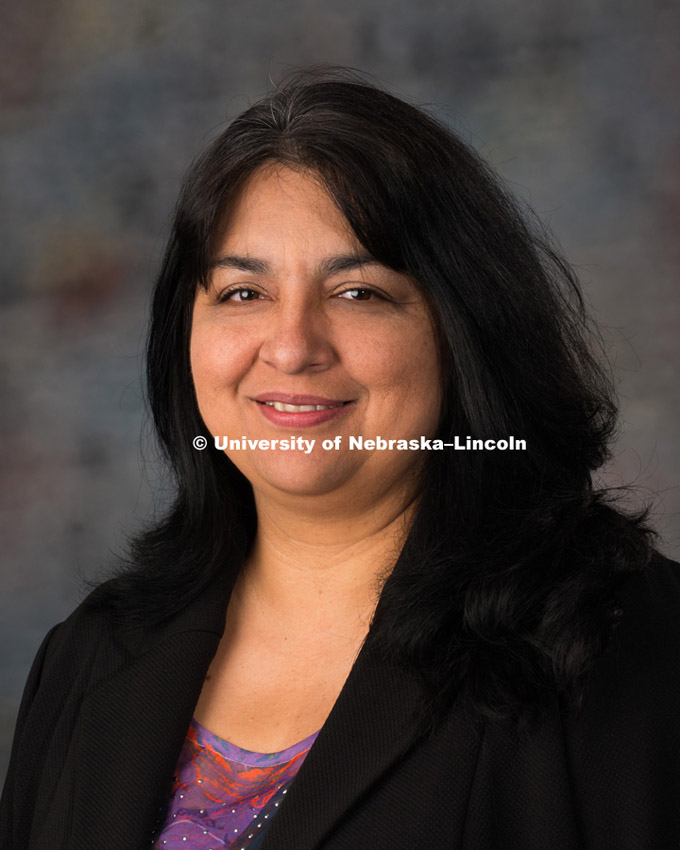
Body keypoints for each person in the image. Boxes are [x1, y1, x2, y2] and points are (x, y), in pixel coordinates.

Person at [1, 67, 679, 850]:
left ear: (463, 331)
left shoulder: (613, 641)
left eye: (358, 293)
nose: (291, 347)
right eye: (243, 294)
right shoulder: (93, 654)